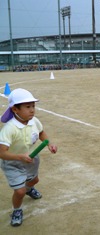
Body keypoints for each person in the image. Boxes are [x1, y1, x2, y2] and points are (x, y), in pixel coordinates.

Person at [0, 88, 58, 226]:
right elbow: (2, 153)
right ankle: (17, 210)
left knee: (34, 180)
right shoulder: (9, 128)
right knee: (19, 191)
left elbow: (41, 133)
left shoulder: (34, 121)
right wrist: (20, 157)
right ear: (15, 109)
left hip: (31, 160)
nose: (32, 110)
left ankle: (29, 189)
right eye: (27, 107)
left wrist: (50, 144)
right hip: (13, 163)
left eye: (33, 106)